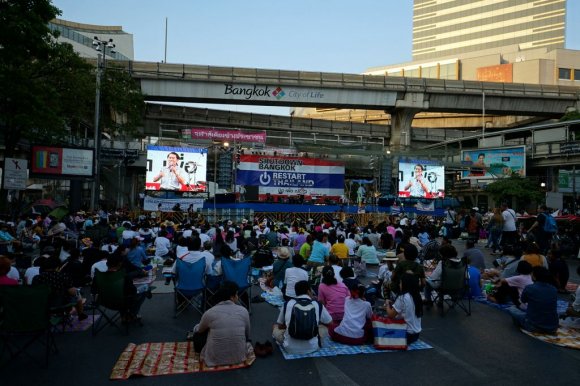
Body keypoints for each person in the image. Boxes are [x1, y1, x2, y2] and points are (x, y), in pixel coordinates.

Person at [191, 281, 252, 367]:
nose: (237, 297)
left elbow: (200, 330)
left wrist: (196, 328)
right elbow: (247, 334)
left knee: (198, 336)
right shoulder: (244, 311)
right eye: (236, 294)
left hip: (214, 359)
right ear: (232, 297)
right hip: (239, 357)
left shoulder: (210, 312)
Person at [273, 280, 333, 355]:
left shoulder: (287, 303)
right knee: (324, 328)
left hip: (289, 348)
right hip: (313, 347)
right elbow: (330, 323)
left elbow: (280, 325)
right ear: (308, 291)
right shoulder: (318, 304)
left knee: (275, 327)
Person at [507, 266, 558, 334]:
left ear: (534, 276)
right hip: (552, 327)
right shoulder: (553, 289)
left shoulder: (530, 288)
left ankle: (522, 324)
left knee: (512, 308)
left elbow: (523, 301)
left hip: (533, 325)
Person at [328, 280, 373, 345]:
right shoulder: (367, 304)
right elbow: (370, 317)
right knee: (369, 323)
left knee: (332, 327)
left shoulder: (347, 300)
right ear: (363, 293)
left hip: (340, 336)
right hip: (357, 339)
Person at [385, 273, 423, 345]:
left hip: (405, 335)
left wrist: (387, 304)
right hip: (416, 335)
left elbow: (391, 315)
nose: (399, 285)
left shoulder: (402, 297)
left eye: (401, 283)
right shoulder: (417, 296)